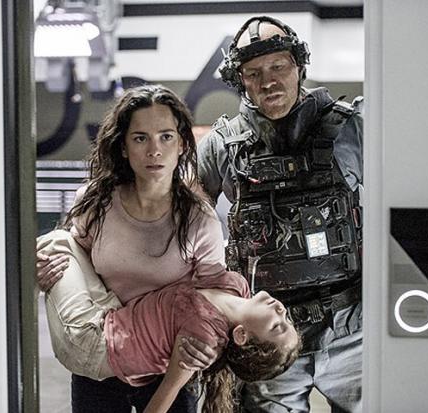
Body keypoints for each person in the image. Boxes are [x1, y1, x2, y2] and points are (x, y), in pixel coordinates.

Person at [36, 84, 297, 412]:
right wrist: (45, 272)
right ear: (123, 147)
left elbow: (218, 304)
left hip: (167, 366)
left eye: (166, 137)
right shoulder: (95, 202)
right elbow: (76, 255)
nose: (154, 150)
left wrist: (213, 352)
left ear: (182, 144)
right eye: (140, 138)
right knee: (55, 244)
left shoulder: (199, 220)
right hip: (103, 351)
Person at [197, 16, 363, 413]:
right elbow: (176, 222)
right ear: (239, 81)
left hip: (351, 328)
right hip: (266, 337)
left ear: (299, 67)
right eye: (253, 73)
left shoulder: (353, 129)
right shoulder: (221, 147)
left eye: (278, 66)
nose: (268, 81)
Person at [37, 228, 300, 413]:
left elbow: (166, 395)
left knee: (56, 243)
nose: (281, 309)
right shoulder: (237, 287)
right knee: (67, 245)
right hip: (112, 316)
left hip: (91, 344)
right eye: (287, 318)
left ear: (241, 335)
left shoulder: (202, 339)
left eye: (277, 326)